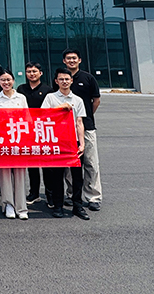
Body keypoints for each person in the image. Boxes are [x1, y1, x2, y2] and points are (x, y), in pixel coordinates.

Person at [55, 49, 102, 212]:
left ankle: (93, 196)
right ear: (64, 61)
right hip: (65, 130)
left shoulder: (88, 78)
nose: (71, 61)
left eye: (74, 58)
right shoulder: (61, 77)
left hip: (86, 127)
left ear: (79, 60)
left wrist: (84, 116)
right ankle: (71, 194)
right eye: (68, 58)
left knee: (91, 163)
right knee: (70, 164)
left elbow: (96, 100)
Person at [42, 68, 88, 220]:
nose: (64, 82)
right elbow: (42, 115)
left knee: (77, 176)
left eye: (67, 79)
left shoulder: (78, 100)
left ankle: (77, 205)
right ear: (56, 81)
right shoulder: (50, 97)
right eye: (61, 79)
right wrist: (60, 108)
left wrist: (82, 143)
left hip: (73, 141)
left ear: (71, 80)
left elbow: (79, 123)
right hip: (57, 141)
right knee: (57, 175)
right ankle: (58, 205)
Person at [0, 70, 29, 220]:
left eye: (8, 80)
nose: (6, 83)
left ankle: (21, 207)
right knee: (4, 173)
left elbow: (27, 118)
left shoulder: (21, 97)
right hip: (2, 140)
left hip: (19, 139)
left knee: (20, 173)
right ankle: (8, 205)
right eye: (3, 80)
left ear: (13, 81)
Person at [17, 62, 53, 205]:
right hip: (27, 130)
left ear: (40, 73)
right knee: (32, 164)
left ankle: (50, 195)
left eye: (34, 71)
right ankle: (34, 193)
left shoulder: (48, 90)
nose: (31, 74)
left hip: (43, 130)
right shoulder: (21, 89)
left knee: (47, 165)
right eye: (29, 71)